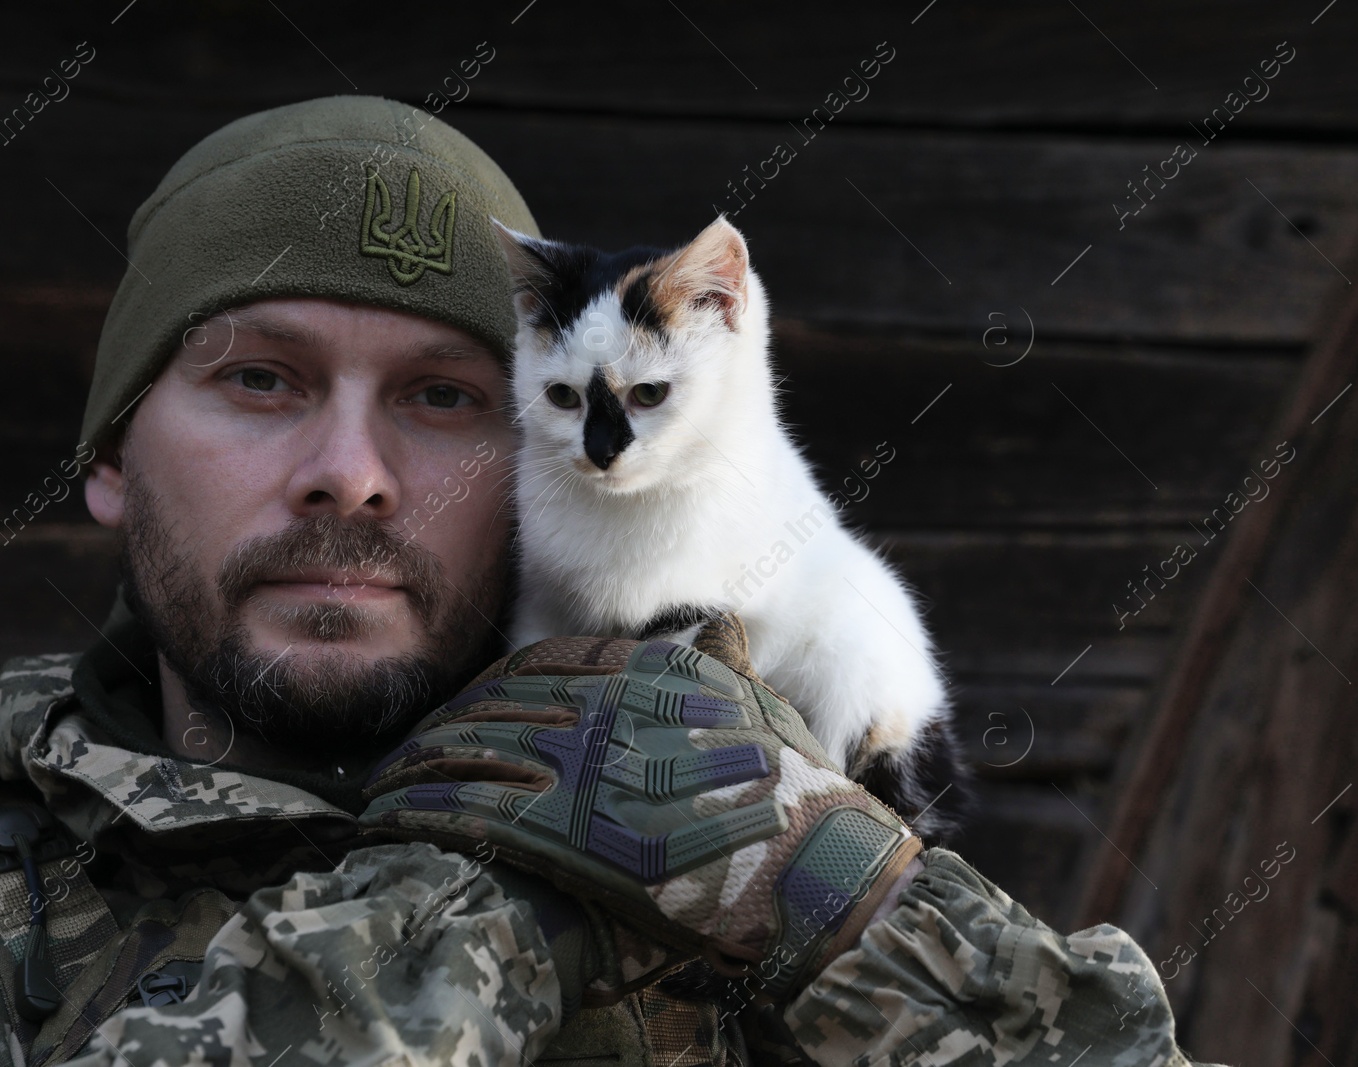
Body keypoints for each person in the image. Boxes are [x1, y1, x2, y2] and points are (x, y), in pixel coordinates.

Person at [0, 96, 1222, 1066]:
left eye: (444, 397)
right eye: (261, 377)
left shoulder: (775, 822)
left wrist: (843, 909)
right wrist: (466, 908)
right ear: (109, 451)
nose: (351, 477)